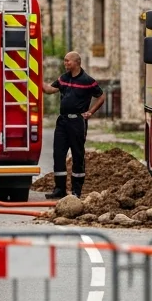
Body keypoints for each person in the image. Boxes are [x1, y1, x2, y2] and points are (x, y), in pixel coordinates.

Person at [43, 51, 105, 200]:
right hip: (62, 122)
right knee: (58, 155)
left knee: (78, 155)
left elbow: (101, 96)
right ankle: (60, 189)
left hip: (77, 122)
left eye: (67, 61)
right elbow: (50, 90)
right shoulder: (63, 79)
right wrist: (35, 77)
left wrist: (90, 112)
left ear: (76, 62)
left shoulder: (87, 81)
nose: (65, 63)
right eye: (64, 61)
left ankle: (76, 191)